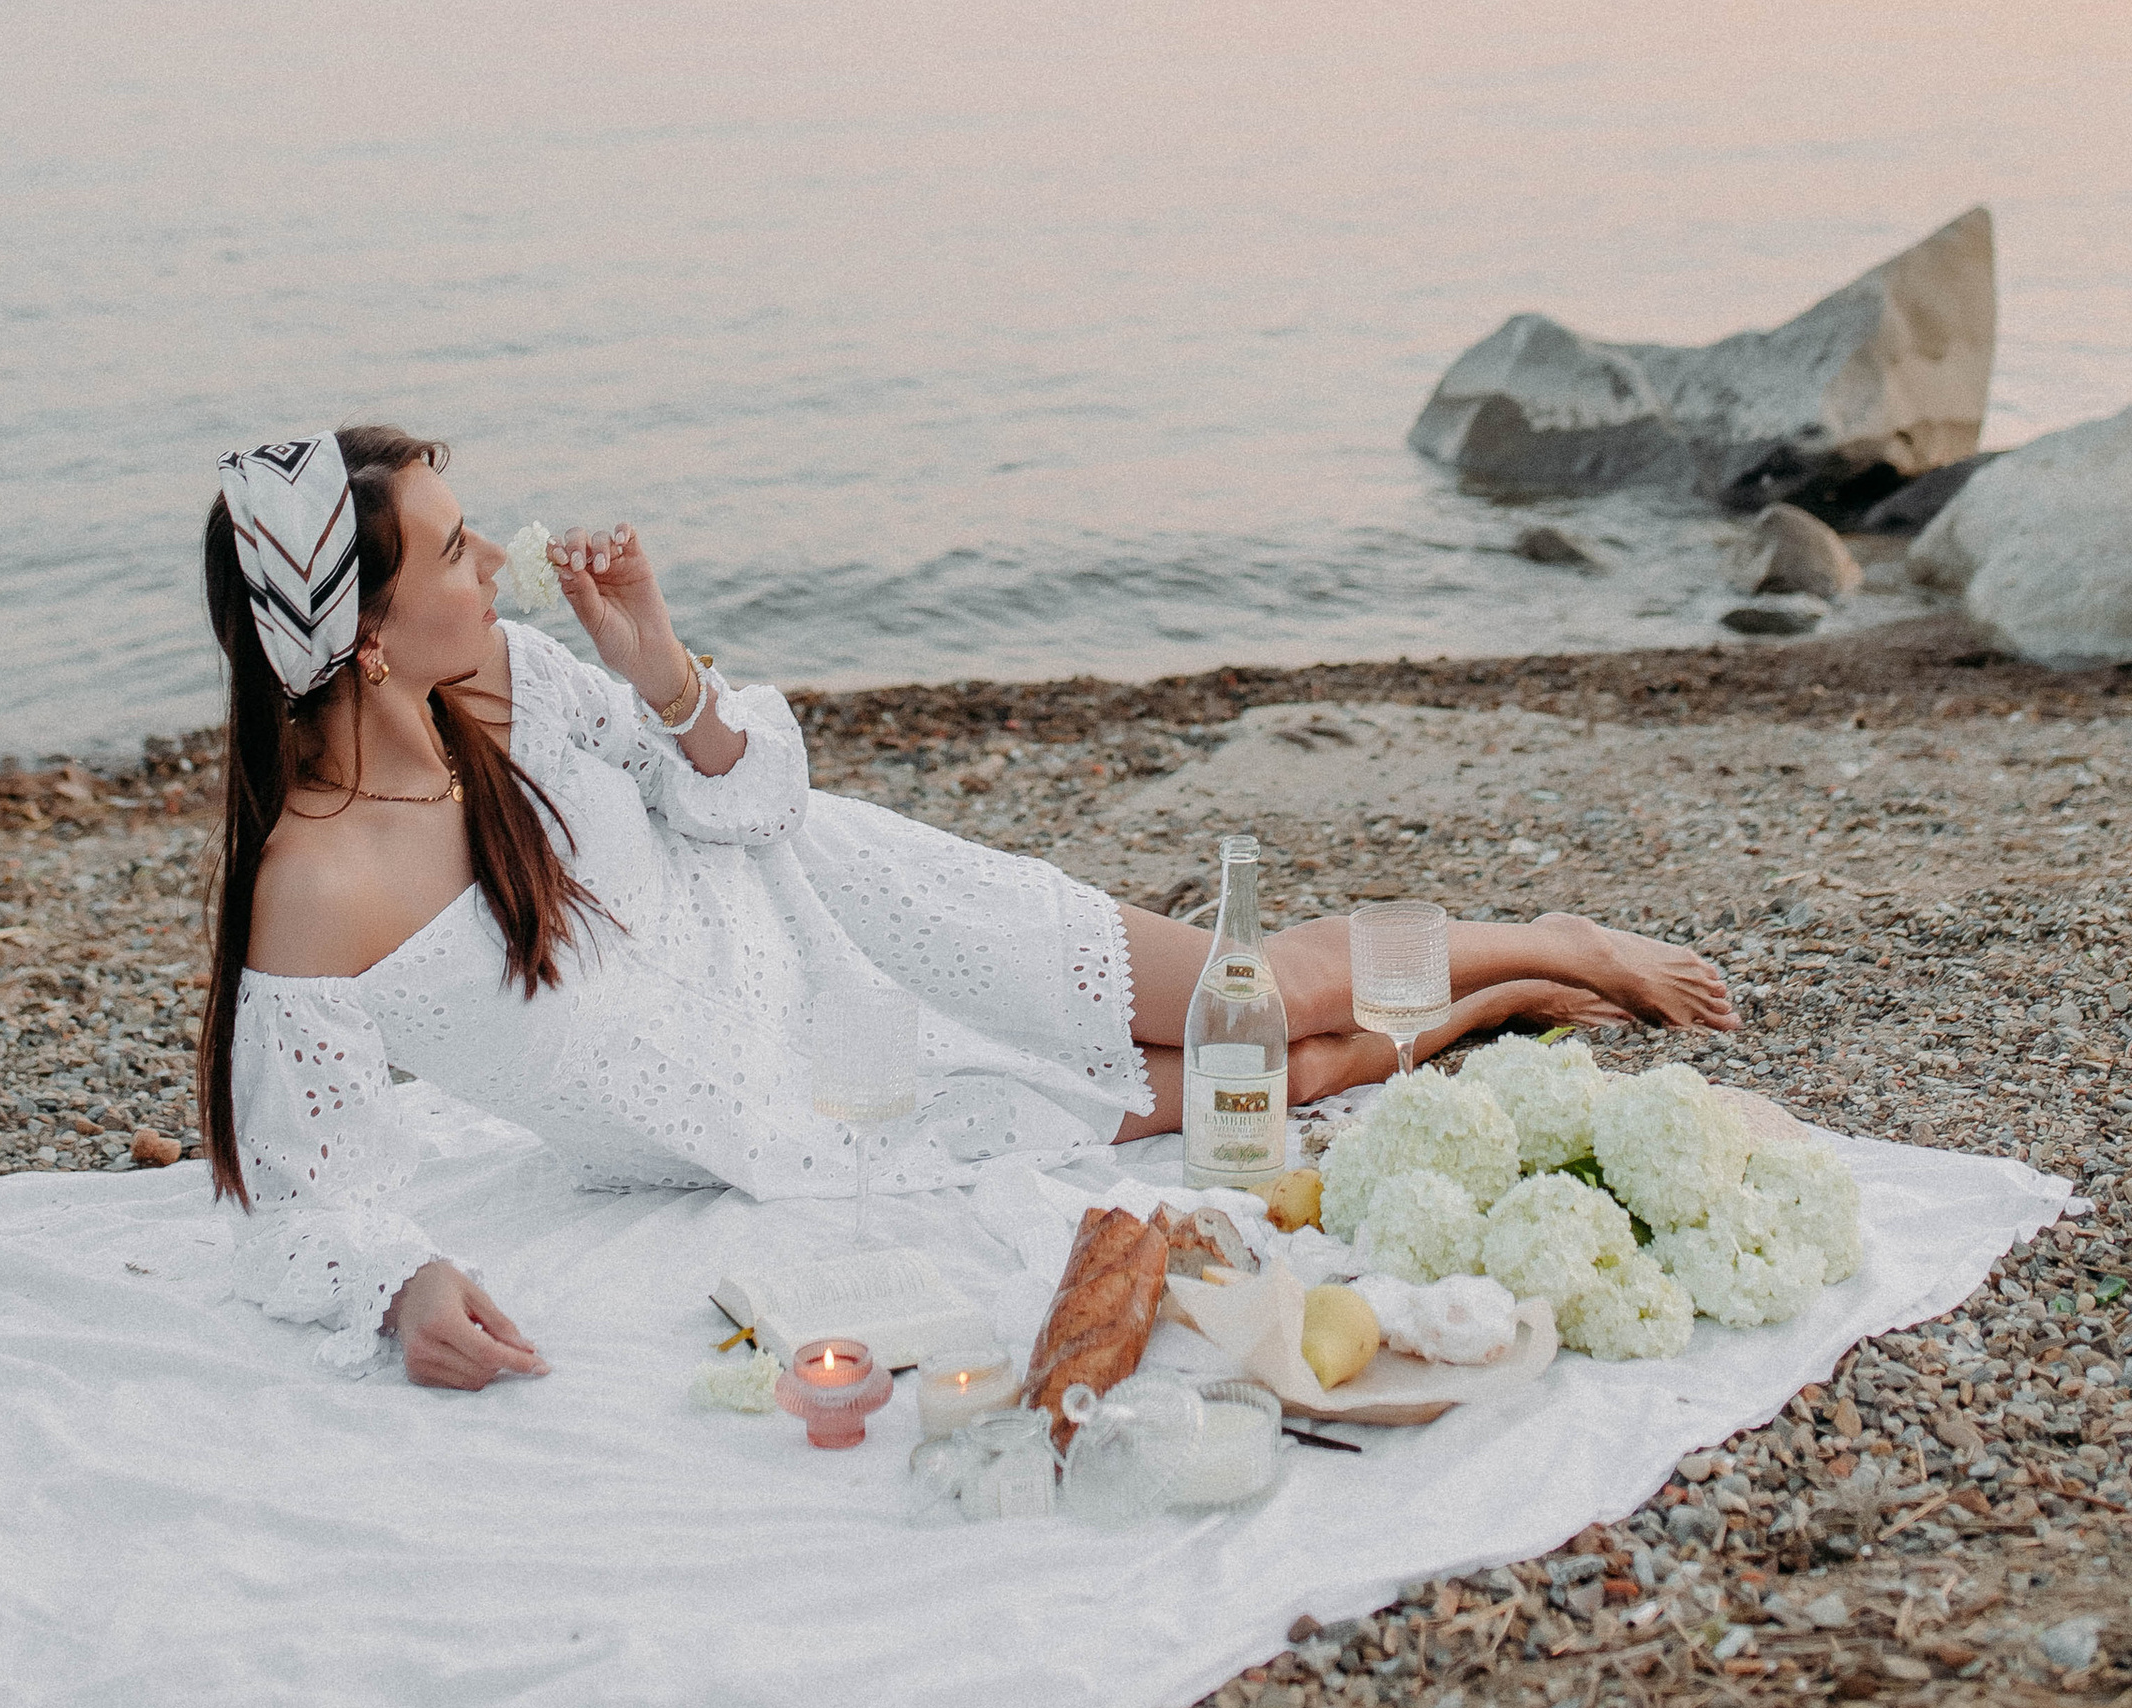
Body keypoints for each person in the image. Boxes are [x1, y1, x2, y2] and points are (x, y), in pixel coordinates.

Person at [204, 428, 1734, 1391]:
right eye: (458, 549)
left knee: (1248, 991)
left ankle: (1555, 941)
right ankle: (1483, 1010)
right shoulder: (320, 892)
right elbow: (304, 1187)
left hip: (849, 908)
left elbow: (755, 803)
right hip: (801, 1098)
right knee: (1251, 1094)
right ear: (372, 644)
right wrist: (402, 1289)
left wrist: (659, 664)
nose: (494, 556)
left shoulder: (519, 684)